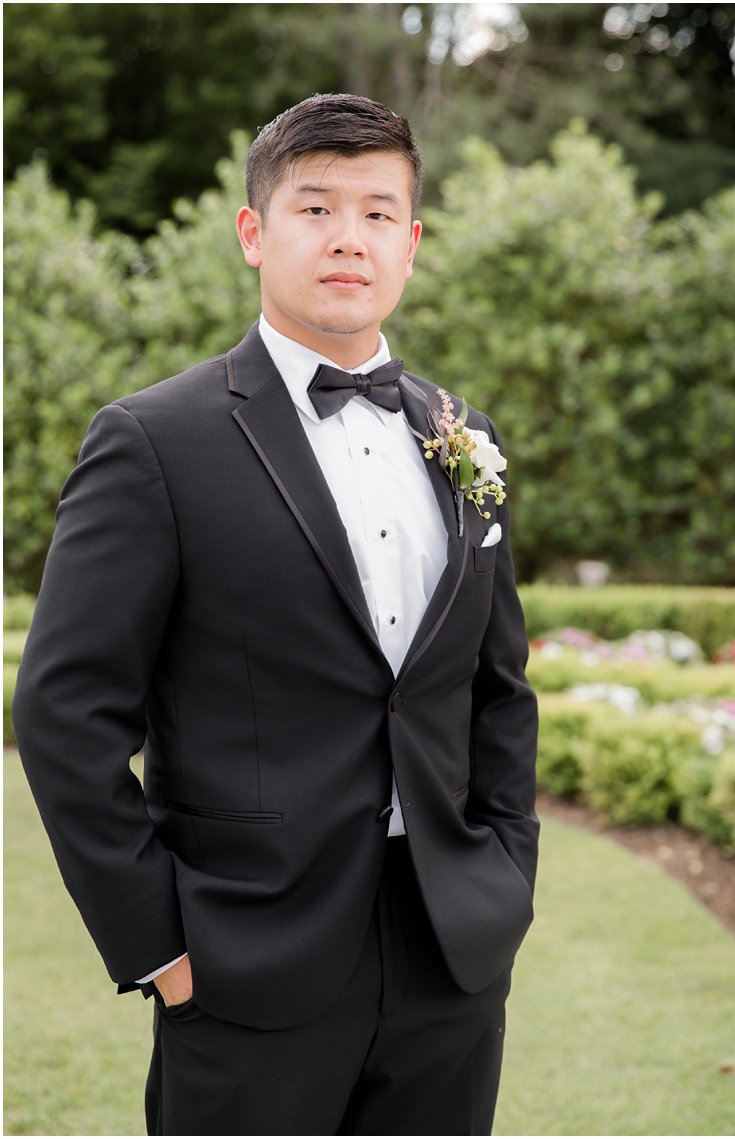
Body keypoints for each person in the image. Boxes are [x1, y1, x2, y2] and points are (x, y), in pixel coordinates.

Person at [11, 93, 539, 1134]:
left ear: (412, 242)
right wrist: (160, 945)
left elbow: (494, 682)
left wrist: (506, 871)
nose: (350, 236)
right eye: (316, 208)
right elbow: (64, 714)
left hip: (450, 953)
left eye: (379, 213)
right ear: (254, 232)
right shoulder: (152, 440)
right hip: (244, 958)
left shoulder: (460, 432)